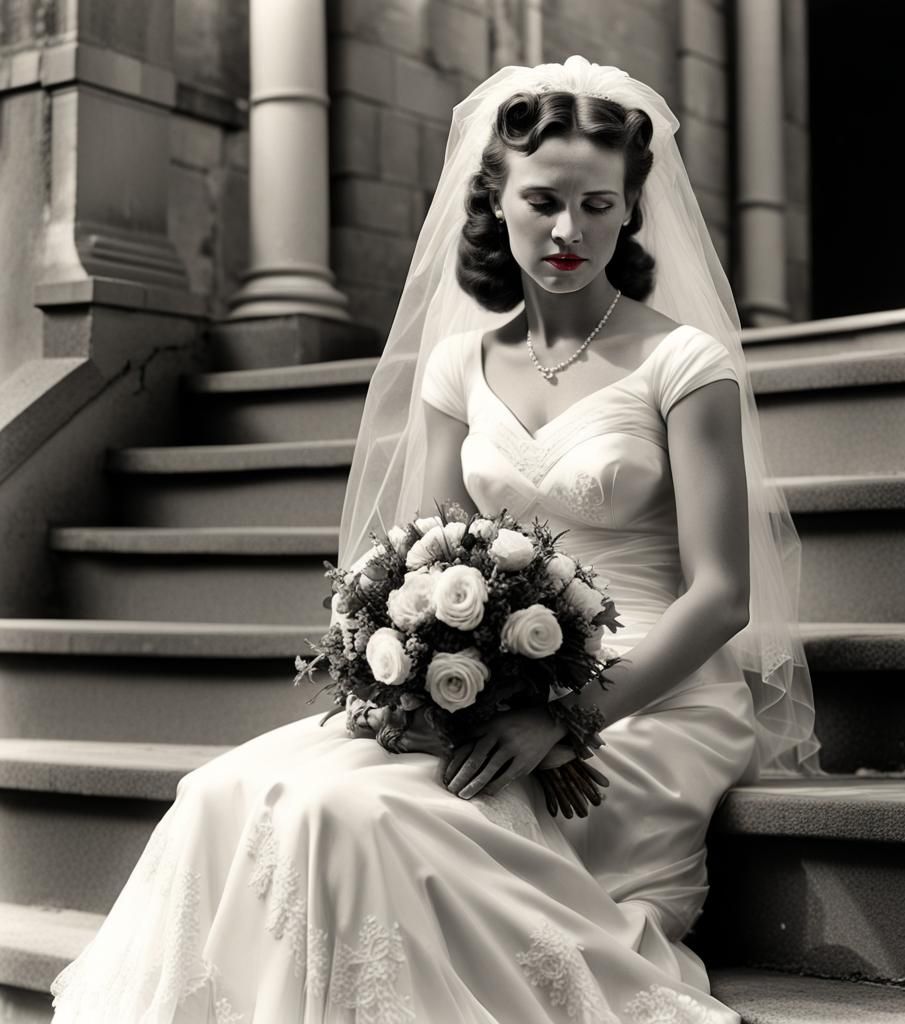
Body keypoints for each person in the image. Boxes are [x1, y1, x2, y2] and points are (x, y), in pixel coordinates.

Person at [49, 55, 821, 1022]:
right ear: (496, 199)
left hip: (649, 700)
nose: (569, 230)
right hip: (494, 684)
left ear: (631, 210)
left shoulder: (682, 362)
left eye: (597, 204)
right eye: (543, 200)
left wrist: (565, 719)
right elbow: (427, 556)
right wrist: (424, 689)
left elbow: (721, 596)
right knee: (222, 790)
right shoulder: (460, 363)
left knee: (356, 813)